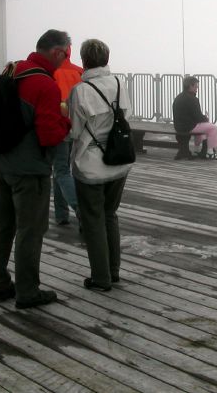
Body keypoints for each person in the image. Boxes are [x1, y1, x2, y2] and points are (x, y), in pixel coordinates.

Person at [0, 29, 71, 309]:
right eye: (66, 53)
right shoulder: (45, 85)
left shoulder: (12, 70)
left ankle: (0, 283)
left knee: (2, 224)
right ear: (57, 52)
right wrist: (66, 124)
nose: (66, 59)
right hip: (28, 169)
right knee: (30, 229)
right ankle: (27, 290)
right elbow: (48, 135)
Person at [69, 39, 132, 291]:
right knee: (109, 214)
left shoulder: (80, 91)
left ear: (84, 61)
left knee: (92, 218)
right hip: (118, 160)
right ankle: (113, 271)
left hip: (90, 164)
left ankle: (100, 277)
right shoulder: (119, 84)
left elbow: (75, 130)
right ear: (107, 58)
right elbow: (125, 117)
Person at [52, 43, 83, 226]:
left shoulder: (51, 72)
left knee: (61, 169)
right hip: (76, 126)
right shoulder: (79, 72)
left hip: (60, 126)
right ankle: (61, 215)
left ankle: (78, 207)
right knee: (63, 170)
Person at [173, 76, 217, 159]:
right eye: (195, 86)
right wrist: (206, 118)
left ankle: (197, 150)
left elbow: (192, 116)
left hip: (178, 127)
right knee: (213, 128)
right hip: (188, 127)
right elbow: (198, 117)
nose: (197, 88)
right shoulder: (193, 99)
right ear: (190, 86)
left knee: (202, 126)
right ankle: (210, 153)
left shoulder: (178, 97)